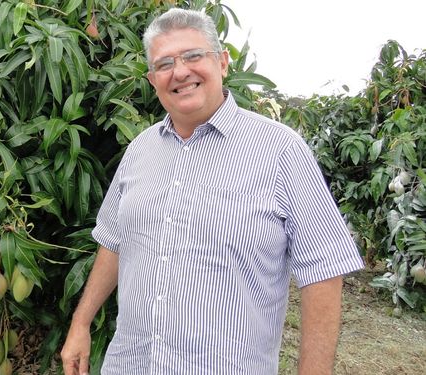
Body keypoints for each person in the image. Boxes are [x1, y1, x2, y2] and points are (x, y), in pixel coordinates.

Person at [60, 7, 364, 375]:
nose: (181, 71)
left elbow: (324, 271)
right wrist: (81, 323)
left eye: (193, 56)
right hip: (129, 364)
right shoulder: (140, 150)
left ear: (222, 63)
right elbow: (115, 240)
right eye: (164, 63)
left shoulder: (280, 150)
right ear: (153, 80)